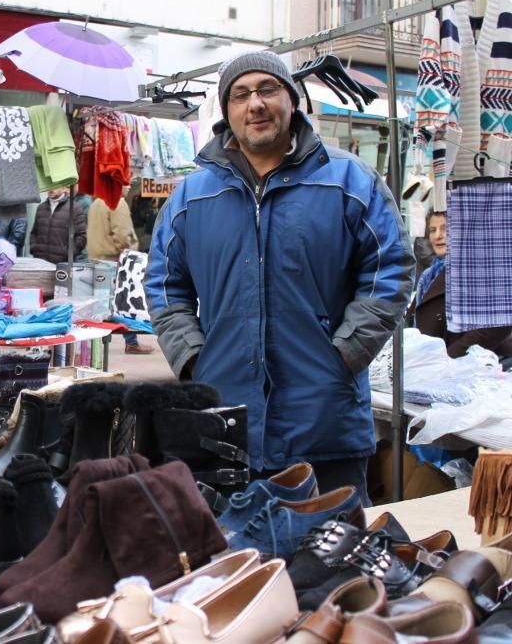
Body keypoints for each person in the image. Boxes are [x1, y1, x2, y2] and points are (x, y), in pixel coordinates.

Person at [145, 50, 414, 502]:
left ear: (293, 101)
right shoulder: (192, 197)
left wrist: (345, 353)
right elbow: (164, 284)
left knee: (332, 559)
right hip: (226, 418)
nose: (256, 104)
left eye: (268, 89)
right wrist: (193, 359)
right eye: (240, 94)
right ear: (226, 111)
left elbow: (390, 268)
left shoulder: (349, 181)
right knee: (237, 561)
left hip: (323, 418)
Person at [410, 210, 512, 359]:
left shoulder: (475, 267)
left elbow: (497, 324)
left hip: (470, 368)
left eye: (445, 228)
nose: (438, 235)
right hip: (428, 366)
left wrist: (451, 355)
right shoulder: (428, 275)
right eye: (433, 230)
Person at [88, 196, 153, 355]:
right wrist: (131, 251)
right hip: (114, 258)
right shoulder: (117, 201)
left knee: (100, 305)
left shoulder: (96, 202)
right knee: (123, 303)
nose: (128, 186)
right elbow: (123, 233)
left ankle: (95, 345)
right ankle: (131, 342)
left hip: (97, 257)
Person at [29, 185, 87, 264]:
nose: (50, 189)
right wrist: (34, 248)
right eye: (49, 186)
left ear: (64, 188)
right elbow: (34, 232)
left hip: (62, 264)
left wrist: (68, 254)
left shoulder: (75, 209)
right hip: (40, 262)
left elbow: (81, 237)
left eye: (55, 186)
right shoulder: (41, 208)